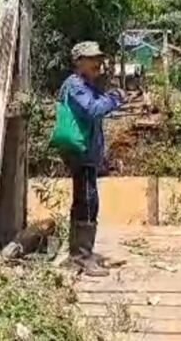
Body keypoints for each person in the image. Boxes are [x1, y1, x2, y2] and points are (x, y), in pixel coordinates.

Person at [58, 41, 124, 277]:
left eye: (98, 58)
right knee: (87, 202)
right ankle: (82, 257)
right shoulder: (76, 86)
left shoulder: (85, 85)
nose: (97, 62)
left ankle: (80, 253)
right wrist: (115, 99)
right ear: (78, 62)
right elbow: (93, 109)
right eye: (91, 59)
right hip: (80, 152)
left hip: (86, 152)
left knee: (85, 202)